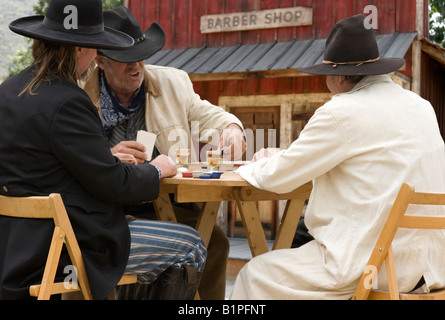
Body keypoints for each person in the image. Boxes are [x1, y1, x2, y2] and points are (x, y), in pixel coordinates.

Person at [0, 0, 206, 300]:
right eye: (95, 46)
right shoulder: (69, 100)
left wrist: (106, 158)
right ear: (79, 48)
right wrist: (158, 169)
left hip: (13, 245)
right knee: (191, 246)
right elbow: (114, 184)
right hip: (65, 245)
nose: (97, 53)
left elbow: (48, 163)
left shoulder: (8, 90)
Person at [230, 14, 445, 299]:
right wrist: (283, 156)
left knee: (254, 274)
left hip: (372, 267)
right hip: (430, 267)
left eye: (326, 75)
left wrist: (249, 166)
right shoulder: (421, 106)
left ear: (340, 76)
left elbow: (277, 178)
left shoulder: (341, 110)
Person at [82, 6, 246, 300]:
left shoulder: (173, 81)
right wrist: (107, 155)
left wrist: (231, 128)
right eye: (126, 59)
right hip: (105, 209)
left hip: (165, 202)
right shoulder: (77, 93)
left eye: (141, 55)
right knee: (84, 251)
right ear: (101, 62)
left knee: (215, 242)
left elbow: (208, 116)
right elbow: (74, 156)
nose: (137, 65)